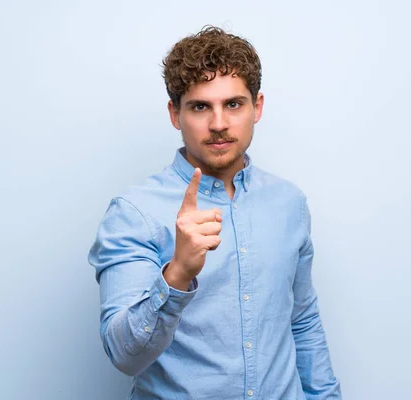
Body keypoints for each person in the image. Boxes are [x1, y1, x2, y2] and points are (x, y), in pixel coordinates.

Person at [88, 26, 342, 399]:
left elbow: (301, 323)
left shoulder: (289, 204)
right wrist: (177, 275)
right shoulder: (134, 212)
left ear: (258, 107)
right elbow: (124, 355)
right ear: (176, 114)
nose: (219, 123)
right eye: (200, 106)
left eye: (234, 104)